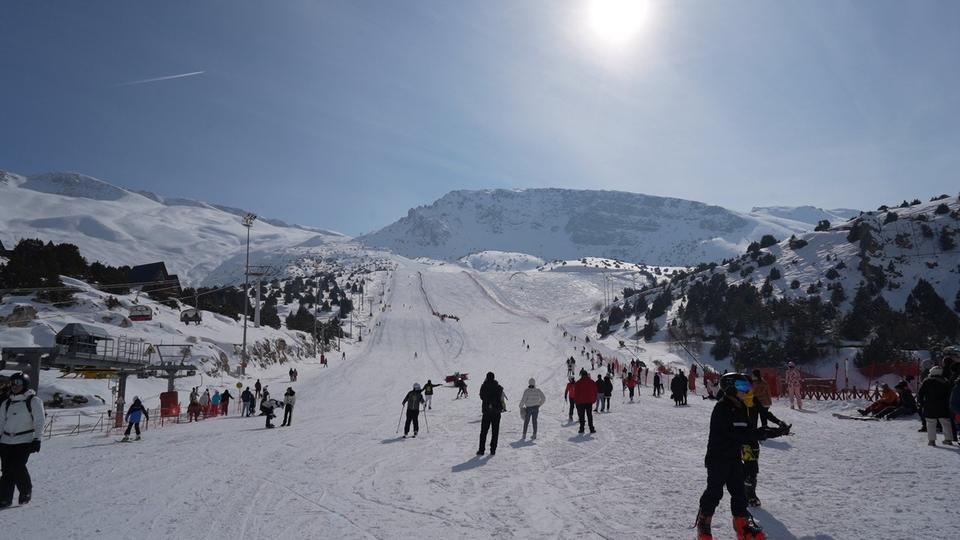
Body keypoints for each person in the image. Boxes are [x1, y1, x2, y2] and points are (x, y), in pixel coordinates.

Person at [694, 373, 768, 540]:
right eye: (742, 387)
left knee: (739, 492)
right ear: (731, 388)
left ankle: (742, 526)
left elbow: (747, 431)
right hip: (718, 458)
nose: (746, 390)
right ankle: (703, 526)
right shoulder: (721, 408)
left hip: (734, 457)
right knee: (714, 492)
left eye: (747, 387)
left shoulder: (741, 407)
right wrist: (754, 434)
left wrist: (767, 432)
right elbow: (732, 433)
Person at [0, 372, 44, 507]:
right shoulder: (7, 403)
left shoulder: (33, 401)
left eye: (18, 383)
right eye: (12, 383)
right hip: (6, 441)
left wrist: (37, 439)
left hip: (24, 440)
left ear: (25, 384)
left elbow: (39, 420)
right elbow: (1, 422)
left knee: (17, 466)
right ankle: (5, 498)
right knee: (6, 470)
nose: (14, 386)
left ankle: (25, 490)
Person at [917, 366, 954, 446]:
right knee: (945, 422)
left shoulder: (926, 381)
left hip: (929, 405)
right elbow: (950, 394)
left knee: (930, 423)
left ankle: (932, 440)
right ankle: (948, 439)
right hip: (943, 406)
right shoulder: (945, 381)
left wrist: (922, 403)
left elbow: (920, 393)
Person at [477, 373, 505, 455]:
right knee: (495, 432)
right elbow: (501, 399)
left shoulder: (484, 386)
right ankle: (493, 450)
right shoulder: (499, 387)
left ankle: (481, 450)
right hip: (496, 412)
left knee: (483, 432)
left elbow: (481, 396)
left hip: (486, 412)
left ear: (486, 377)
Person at [574, 369, 598, 434]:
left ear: (581, 375)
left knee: (582, 416)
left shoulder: (578, 383)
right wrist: (594, 399)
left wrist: (576, 401)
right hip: (589, 402)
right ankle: (591, 428)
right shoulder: (592, 382)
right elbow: (595, 391)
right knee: (589, 415)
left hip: (581, 402)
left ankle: (582, 429)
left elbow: (576, 393)